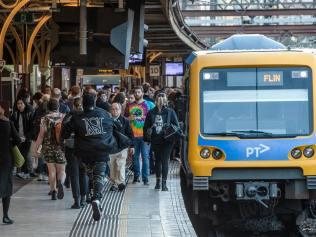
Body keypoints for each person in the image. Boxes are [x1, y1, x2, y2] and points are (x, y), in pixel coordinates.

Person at [61, 92, 117, 221]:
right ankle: (96, 199)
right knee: (99, 175)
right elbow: (114, 127)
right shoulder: (104, 114)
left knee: (91, 175)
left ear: (83, 104)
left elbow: (65, 133)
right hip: (102, 150)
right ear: (95, 101)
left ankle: (94, 198)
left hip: (84, 153)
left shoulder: (76, 116)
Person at [143, 91, 180, 191]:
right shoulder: (170, 111)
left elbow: (146, 127)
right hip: (168, 140)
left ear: (155, 100)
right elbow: (177, 126)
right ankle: (164, 185)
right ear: (166, 100)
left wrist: (147, 139)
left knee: (158, 161)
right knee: (164, 161)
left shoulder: (151, 112)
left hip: (155, 139)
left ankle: (158, 183)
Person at [34, 99, 66, 200]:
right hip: (60, 147)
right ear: (58, 107)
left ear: (48, 108)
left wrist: (36, 148)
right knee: (61, 170)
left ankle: (53, 191)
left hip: (48, 147)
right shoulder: (63, 117)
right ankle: (60, 182)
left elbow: (41, 135)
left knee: (51, 171)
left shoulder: (44, 119)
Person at [62, 97, 89, 209]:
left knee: (74, 175)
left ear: (73, 105)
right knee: (83, 173)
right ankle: (83, 198)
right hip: (85, 148)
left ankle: (77, 201)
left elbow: (63, 133)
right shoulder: (88, 116)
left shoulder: (69, 116)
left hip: (71, 148)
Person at [125, 86, 155, 185]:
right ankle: (136, 177)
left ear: (142, 93)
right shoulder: (129, 106)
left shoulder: (150, 104)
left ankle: (145, 178)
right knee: (135, 157)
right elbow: (125, 120)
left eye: (139, 92)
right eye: (136, 92)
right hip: (133, 135)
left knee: (146, 156)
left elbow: (155, 118)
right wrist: (130, 118)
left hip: (145, 135)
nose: (137, 94)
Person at [0, 105, 21, 224]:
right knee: (6, 187)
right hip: (6, 159)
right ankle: (5, 216)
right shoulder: (8, 123)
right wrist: (9, 142)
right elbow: (17, 140)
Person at [109, 103, 134, 191]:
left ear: (120, 110)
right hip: (111, 149)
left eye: (116, 109)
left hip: (122, 147)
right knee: (112, 169)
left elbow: (130, 134)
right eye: (112, 109)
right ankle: (116, 183)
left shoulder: (125, 121)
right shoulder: (107, 121)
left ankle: (120, 183)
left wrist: (132, 146)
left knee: (120, 165)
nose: (115, 111)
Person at [11, 98, 34, 179]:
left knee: (24, 154)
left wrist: (26, 137)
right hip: (18, 138)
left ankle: (25, 172)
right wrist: (16, 137)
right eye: (18, 104)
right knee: (20, 154)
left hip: (27, 138)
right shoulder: (15, 114)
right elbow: (12, 126)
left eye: (21, 103)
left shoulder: (29, 114)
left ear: (25, 104)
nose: (19, 105)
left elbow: (32, 128)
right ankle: (22, 171)